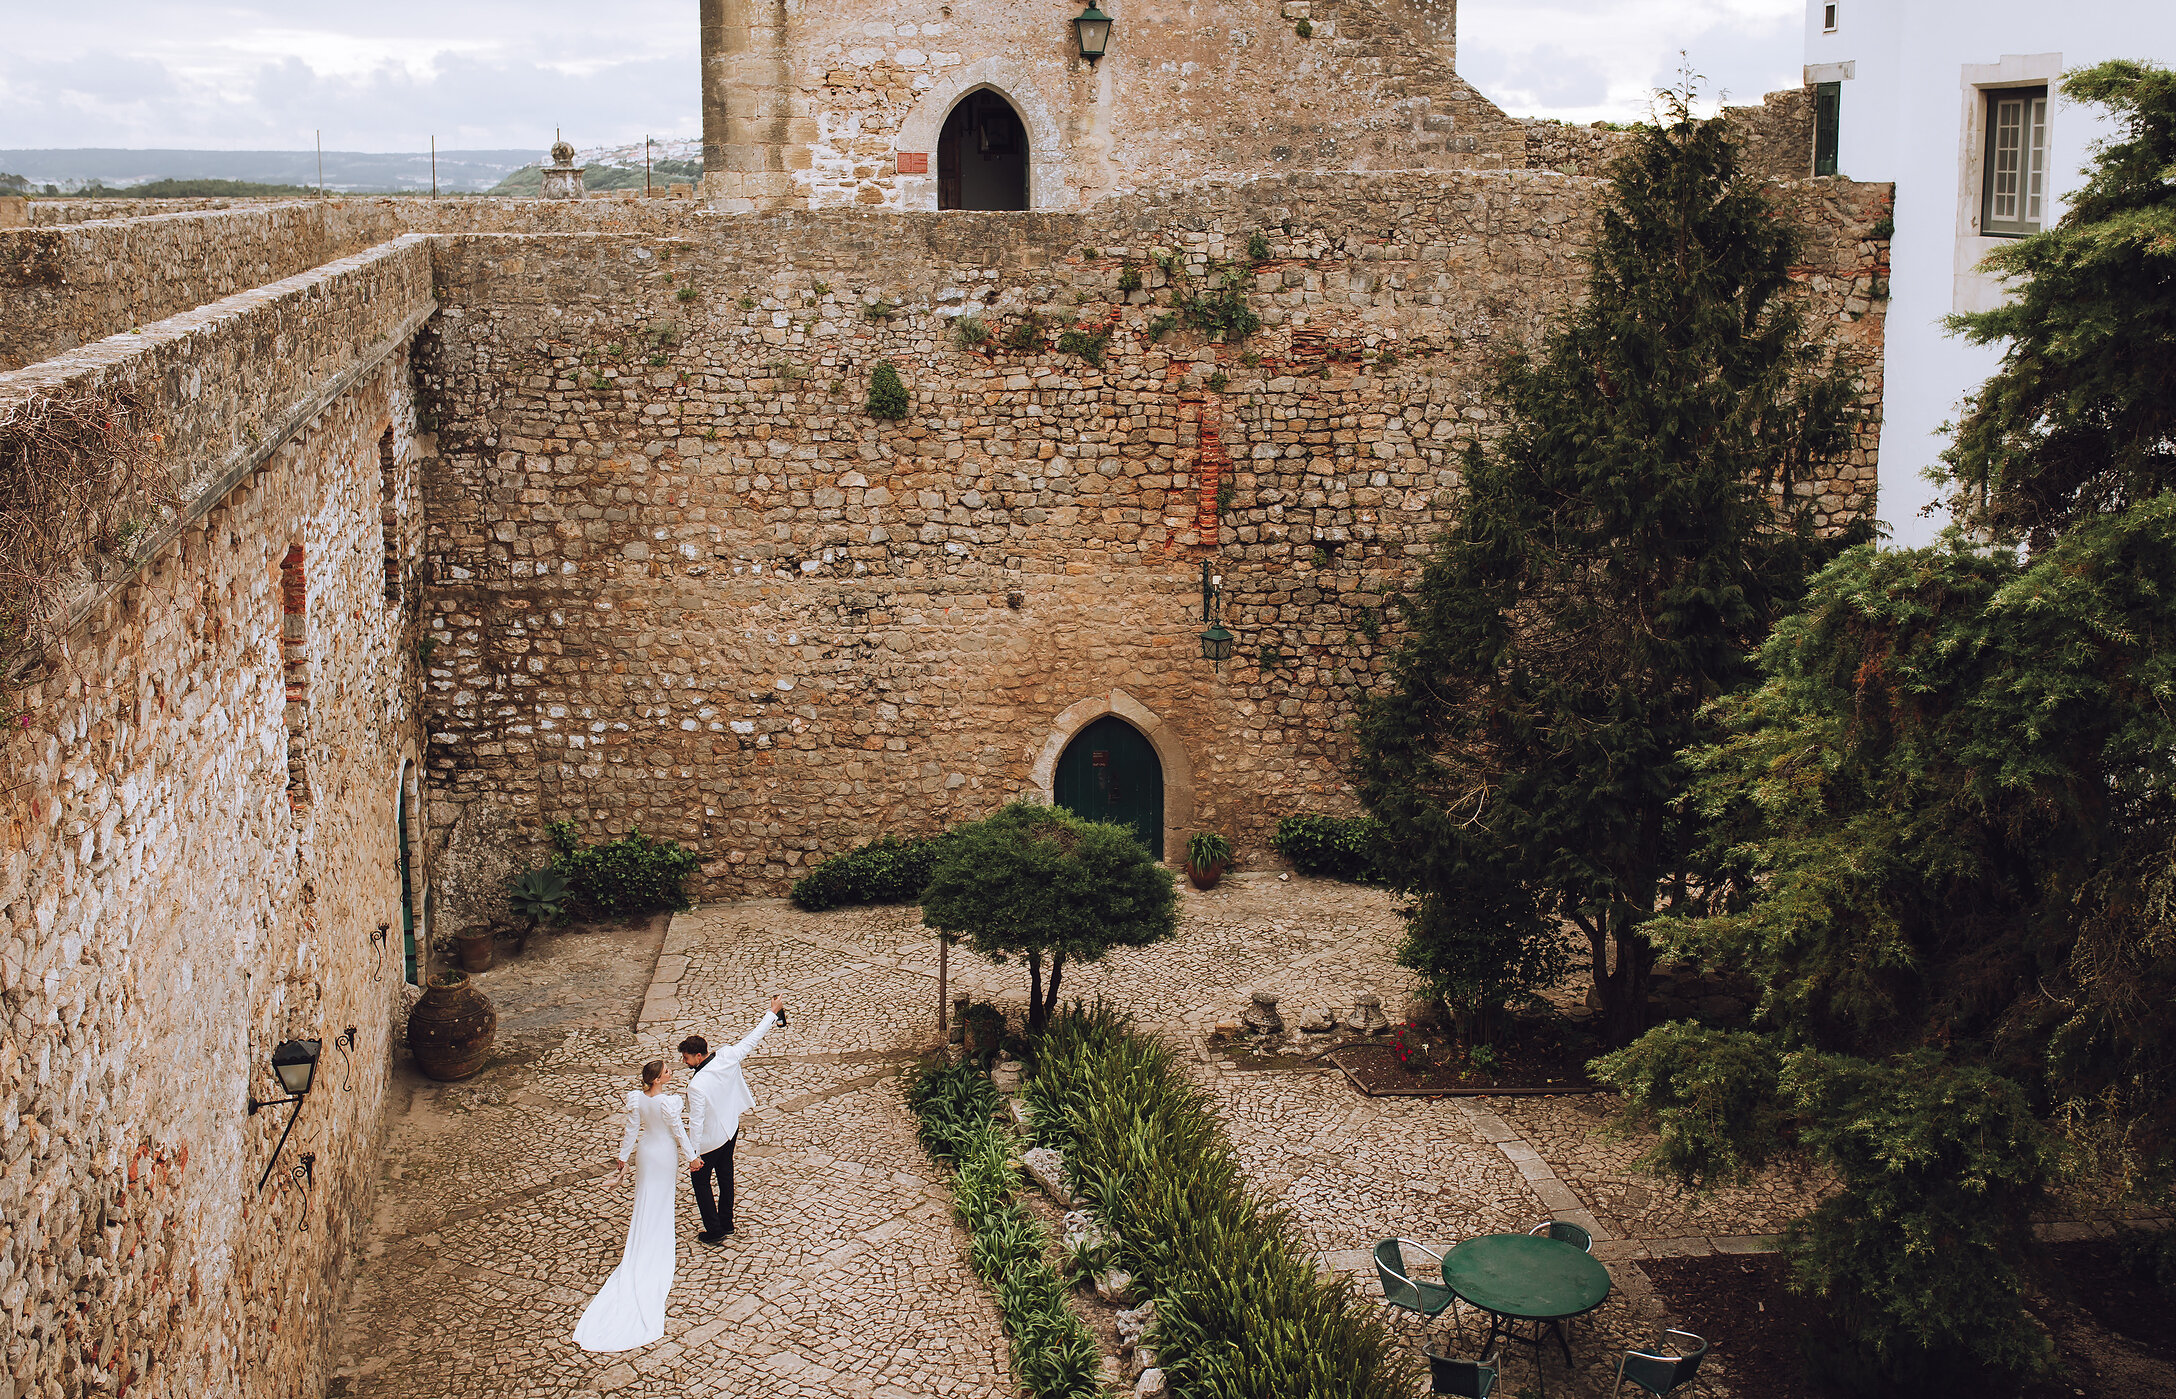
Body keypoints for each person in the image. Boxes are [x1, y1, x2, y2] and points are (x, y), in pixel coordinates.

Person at [572, 1058, 700, 1352]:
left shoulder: (638, 1101)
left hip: (645, 1152)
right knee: (662, 1198)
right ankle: (657, 1244)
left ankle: (644, 1240)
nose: (671, 1073)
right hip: (664, 1153)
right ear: (657, 1079)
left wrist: (623, 1156)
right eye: (667, 1071)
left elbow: (632, 1130)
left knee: (646, 1199)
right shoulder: (669, 1103)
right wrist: (692, 1157)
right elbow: (679, 1132)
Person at [681, 995, 784, 1244]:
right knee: (726, 1177)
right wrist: (772, 1013)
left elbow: (696, 1122)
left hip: (709, 1142)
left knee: (702, 1184)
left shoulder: (696, 1086)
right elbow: (753, 1038)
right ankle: (727, 1222)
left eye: (686, 1057)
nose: (684, 1062)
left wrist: (693, 1155)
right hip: (731, 1130)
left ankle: (714, 1230)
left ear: (697, 1056)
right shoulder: (727, 1055)